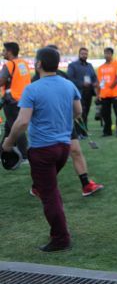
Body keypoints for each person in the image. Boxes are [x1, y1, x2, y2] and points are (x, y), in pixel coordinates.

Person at [1, 46, 81, 252]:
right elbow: (78, 111)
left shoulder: (32, 88)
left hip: (43, 150)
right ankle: (60, 229)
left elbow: (22, 122)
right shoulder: (68, 84)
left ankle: (61, 238)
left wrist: (8, 142)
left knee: (49, 194)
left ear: (38, 64)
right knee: (50, 189)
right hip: (63, 147)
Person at [31, 46, 104, 198]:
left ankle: (86, 185)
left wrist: (73, 112)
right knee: (53, 158)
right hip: (48, 125)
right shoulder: (36, 79)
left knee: (76, 151)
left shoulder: (63, 76)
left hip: (66, 122)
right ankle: (38, 185)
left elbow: (70, 96)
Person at [2, 42, 32, 162]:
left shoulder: (9, 64)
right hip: (23, 99)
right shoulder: (23, 63)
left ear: (9, 52)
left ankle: (25, 156)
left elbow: (1, 80)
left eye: (4, 51)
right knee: (9, 128)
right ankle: (2, 151)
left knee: (17, 128)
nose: (2, 53)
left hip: (11, 101)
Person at [66, 47, 99, 128]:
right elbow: (70, 78)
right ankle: (79, 131)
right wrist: (82, 83)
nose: (84, 55)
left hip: (89, 92)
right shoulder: (72, 65)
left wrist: (95, 82)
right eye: (82, 54)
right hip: (78, 93)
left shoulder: (89, 65)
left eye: (86, 54)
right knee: (79, 113)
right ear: (79, 54)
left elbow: (94, 77)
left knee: (86, 112)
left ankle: (84, 130)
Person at [97, 47, 117, 136]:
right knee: (105, 114)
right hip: (105, 94)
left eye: (108, 53)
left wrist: (112, 85)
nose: (106, 55)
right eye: (105, 53)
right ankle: (107, 131)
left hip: (116, 93)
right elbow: (100, 82)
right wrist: (98, 93)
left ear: (112, 54)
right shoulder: (101, 68)